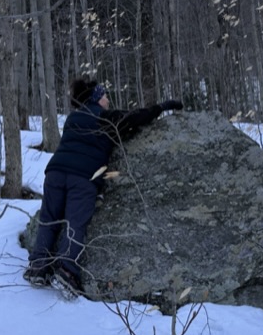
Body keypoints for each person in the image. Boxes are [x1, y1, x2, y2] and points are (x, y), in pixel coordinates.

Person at [25, 79, 183, 294]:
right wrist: (163, 107)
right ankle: (66, 270)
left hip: (55, 173)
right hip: (82, 177)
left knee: (49, 218)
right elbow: (136, 117)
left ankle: (38, 266)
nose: (108, 99)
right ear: (96, 98)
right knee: (75, 223)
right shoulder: (104, 118)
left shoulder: (73, 118)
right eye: (105, 95)